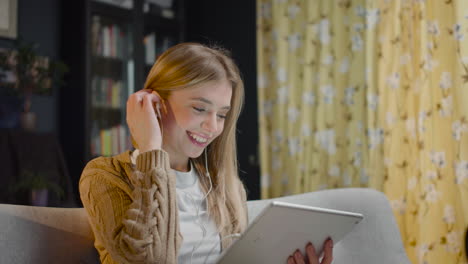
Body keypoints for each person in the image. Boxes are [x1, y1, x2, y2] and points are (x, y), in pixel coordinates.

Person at [79, 42, 333, 264]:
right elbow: (150, 260)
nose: (213, 127)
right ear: (155, 105)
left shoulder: (224, 185)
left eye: (222, 115)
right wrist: (152, 152)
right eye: (200, 108)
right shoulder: (103, 176)